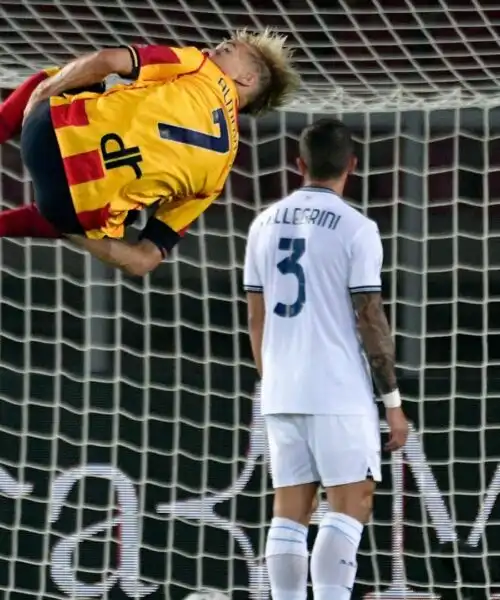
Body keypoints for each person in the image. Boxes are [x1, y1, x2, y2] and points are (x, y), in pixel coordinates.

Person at [243, 118, 409, 600]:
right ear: (352, 166)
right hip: (337, 388)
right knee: (350, 503)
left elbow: (256, 320)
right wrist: (392, 401)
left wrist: (272, 379)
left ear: (300, 164)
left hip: (280, 385)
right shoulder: (358, 228)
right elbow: (369, 318)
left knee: (290, 509)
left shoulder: (261, 224)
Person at [0, 30, 300, 276]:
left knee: (73, 76)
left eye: (228, 48)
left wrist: (41, 94)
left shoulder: (199, 65)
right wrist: (71, 229)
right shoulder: (220, 175)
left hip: (49, 135)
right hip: (67, 209)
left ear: (247, 78)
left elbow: (108, 59)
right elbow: (143, 261)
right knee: (120, 215)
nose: (213, 47)